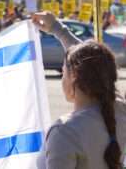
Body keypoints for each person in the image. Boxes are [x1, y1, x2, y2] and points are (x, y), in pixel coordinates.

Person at [32, 12, 126, 169]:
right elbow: (91, 61)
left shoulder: (65, 132)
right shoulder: (119, 109)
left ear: (73, 77)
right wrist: (57, 29)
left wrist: (58, 28)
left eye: (63, 72)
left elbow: (89, 60)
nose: (62, 77)